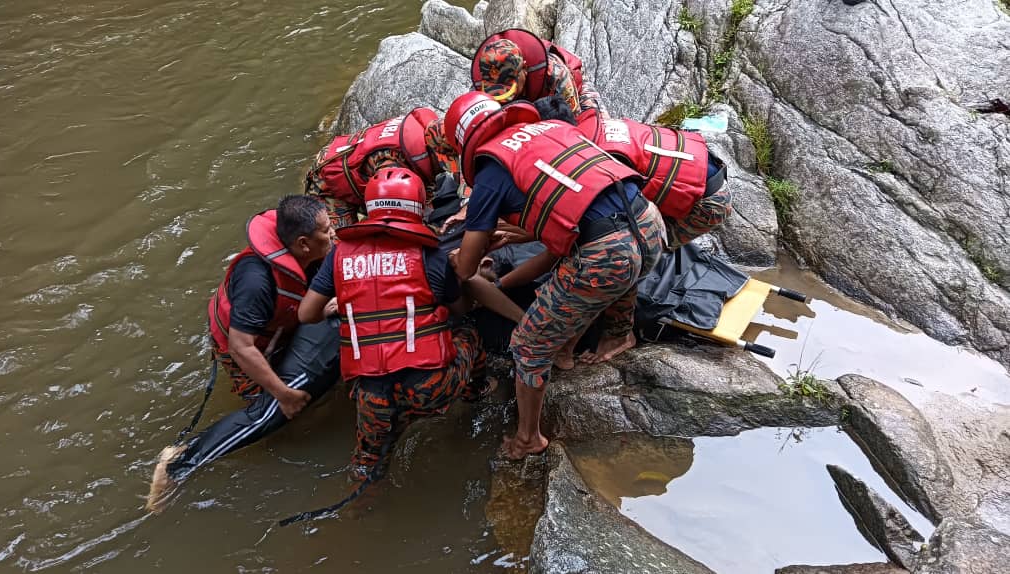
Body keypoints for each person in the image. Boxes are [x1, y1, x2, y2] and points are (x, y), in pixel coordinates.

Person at [442, 92, 663, 460]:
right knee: (604, 275)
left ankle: (528, 438)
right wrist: (503, 236)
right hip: (649, 223)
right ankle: (581, 345)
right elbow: (571, 205)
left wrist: (471, 253)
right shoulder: (549, 129)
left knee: (527, 347)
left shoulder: (490, 172)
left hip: (605, 253)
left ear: (465, 142)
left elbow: (465, 269)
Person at [297, 168, 514, 481]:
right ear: (418, 208)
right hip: (431, 387)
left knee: (369, 463)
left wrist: (342, 305)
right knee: (468, 333)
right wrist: (461, 272)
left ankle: (360, 507)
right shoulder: (432, 255)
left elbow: (306, 314)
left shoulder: (338, 255)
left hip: (370, 393)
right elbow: (460, 307)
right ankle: (476, 392)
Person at [146, 195, 339, 511]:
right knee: (272, 412)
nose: (333, 234)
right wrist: (283, 393)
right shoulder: (257, 281)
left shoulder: (305, 254)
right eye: (328, 230)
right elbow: (241, 347)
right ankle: (179, 463)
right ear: (304, 244)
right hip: (245, 350)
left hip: (274, 331)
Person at [576, 108, 731, 252]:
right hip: (704, 164)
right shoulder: (598, 123)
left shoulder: (603, 156)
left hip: (709, 202)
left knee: (645, 248)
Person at [305, 108, 460, 230]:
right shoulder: (393, 165)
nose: (442, 168)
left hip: (350, 158)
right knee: (340, 248)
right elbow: (389, 218)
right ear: (432, 152)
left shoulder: (422, 133)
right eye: (442, 163)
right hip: (329, 182)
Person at [470, 29, 606, 118]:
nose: (506, 99)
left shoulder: (556, 74)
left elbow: (573, 118)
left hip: (574, 89)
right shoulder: (486, 76)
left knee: (594, 123)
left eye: (509, 88)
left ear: (524, 68)